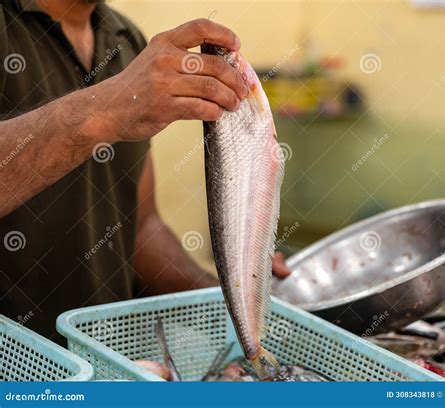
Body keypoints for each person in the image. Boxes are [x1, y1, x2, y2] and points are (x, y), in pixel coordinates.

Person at [0, 0, 290, 343]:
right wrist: (104, 110)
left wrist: (237, 292)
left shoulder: (126, 38)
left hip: (106, 360)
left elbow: (140, 229)